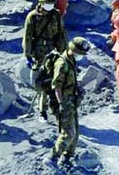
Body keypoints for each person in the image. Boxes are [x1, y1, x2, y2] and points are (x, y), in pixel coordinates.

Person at [43, 37, 90, 171]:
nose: (80, 57)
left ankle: (67, 157)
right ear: (73, 50)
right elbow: (56, 86)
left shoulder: (71, 61)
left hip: (71, 101)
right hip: (63, 102)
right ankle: (51, 158)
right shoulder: (62, 63)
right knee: (68, 132)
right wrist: (61, 103)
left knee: (75, 132)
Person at [22, 0, 68, 120]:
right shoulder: (33, 17)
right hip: (39, 55)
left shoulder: (56, 15)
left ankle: (57, 110)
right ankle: (42, 112)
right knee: (41, 85)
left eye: (52, 3)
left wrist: (63, 52)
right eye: (47, 3)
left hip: (54, 53)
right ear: (41, 2)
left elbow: (61, 35)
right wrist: (28, 55)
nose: (49, 6)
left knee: (57, 82)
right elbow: (27, 37)